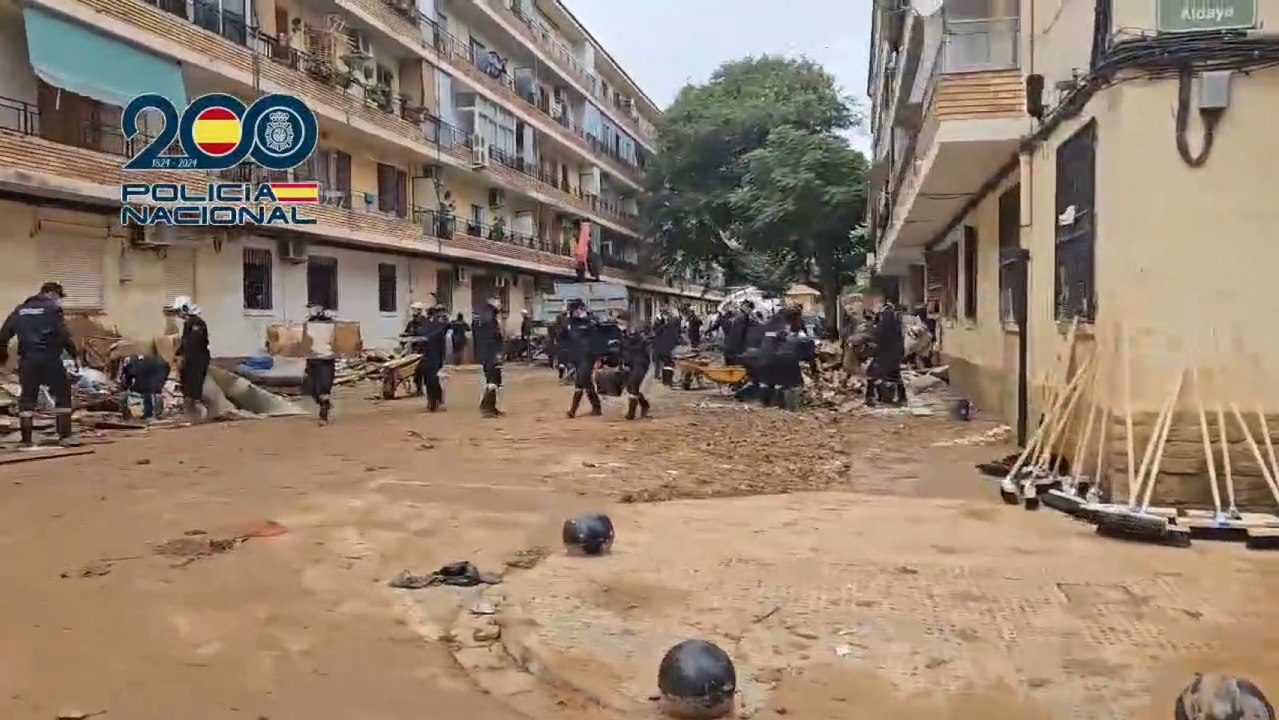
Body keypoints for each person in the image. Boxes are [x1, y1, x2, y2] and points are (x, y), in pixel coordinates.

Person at [0, 281, 78, 447]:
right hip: (51, 360)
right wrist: (74, 353)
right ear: (51, 294)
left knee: (27, 399)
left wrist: (3, 357)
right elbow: (63, 335)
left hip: (28, 361)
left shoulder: (20, 310)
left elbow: (4, 334)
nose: (59, 301)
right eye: (58, 297)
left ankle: (26, 440)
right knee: (63, 394)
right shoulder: (53, 310)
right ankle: (65, 436)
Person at [171, 296, 210, 422]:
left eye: (179, 311)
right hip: (192, 359)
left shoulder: (196, 323)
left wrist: (183, 357)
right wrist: (178, 354)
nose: (178, 314)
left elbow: (193, 344)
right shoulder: (189, 323)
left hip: (197, 360)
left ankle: (201, 415)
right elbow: (185, 343)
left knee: (194, 389)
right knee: (188, 389)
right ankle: (191, 416)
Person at [564, 298, 602, 418]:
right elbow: (564, 337)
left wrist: (598, 357)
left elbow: (597, 339)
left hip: (588, 356)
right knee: (587, 382)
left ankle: (573, 410)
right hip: (576, 356)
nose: (575, 312)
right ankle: (597, 407)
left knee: (580, 380)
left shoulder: (590, 322)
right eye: (573, 310)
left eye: (577, 310)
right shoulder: (569, 323)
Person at [866, 298, 907, 406]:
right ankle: (902, 398)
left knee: (873, 375)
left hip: (883, 357)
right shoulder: (896, 326)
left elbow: (876, 342)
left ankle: (871, 397)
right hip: (893, 357)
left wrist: (873, 352)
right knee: (896, 377)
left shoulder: (880, 327)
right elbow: (901, 343)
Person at [302, 304, 338, 423]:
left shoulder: (331, 326)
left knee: (324, 387)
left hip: (326, 360)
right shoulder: (310, 325)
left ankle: (324, 413)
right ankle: (324, 403)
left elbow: (340, 338)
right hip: (313, 359)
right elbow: (303, 340)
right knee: (311, 387)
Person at [616, 311, 652, 420]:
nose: (619, 326)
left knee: (633, 386)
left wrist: (633, 337)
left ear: (628, 322)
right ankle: (644, 405)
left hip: (641, 363)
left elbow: (645, 348)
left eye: (621, 323)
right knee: (631, 388)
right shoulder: (623, 335)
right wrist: (621, 363)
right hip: (630, 363)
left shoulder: (639, 334)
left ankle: (631, 413)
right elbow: (622, 351)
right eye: (618, 323)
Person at [473, 297, 505, 417]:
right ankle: (487, 408)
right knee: (492, 379)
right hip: (490, 353)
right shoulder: (489, 319)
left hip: (487, 353)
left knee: (493, 379)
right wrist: (497, 354)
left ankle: (490, 406)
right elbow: (493, 339)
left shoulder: (485, 318)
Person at [117, 353, 170, 421]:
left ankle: (123, 415)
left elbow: (129, 375)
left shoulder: (136, 361)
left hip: (143, 387)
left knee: (124, 396)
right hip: (154, 387)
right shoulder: (160, 360)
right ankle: (153, 416)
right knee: (153, 397)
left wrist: (126, 384)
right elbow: (165, 373)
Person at [419, 305, 449, 411]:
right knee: (428, 380)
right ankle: (431, 400)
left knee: (433, 379)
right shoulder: (426, 325)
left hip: (435, 356)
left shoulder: (439, 325)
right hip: (427, 356)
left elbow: (444, 331)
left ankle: (436, 400)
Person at [403, 302, 430, 396]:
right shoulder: (411, 323)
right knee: (413, 370)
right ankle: (418, 388)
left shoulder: (425, 322)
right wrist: (405, 337)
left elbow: (426, 335)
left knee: (420, 370)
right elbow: (406, 333)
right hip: (413, 350)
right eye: (413, 311)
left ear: (420, 311)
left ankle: (421, 389)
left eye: (416, 310)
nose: (414, 313)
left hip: (424, 350)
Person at [652, 307, 681, 386]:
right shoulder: (668, 323)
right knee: (668, 363)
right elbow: (674, 333)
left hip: (663, 346)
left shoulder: (665, 322)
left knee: (665, 363)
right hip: (665, 346)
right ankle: (667, 380)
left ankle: (665, 379)